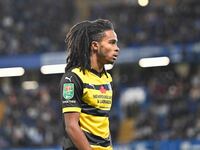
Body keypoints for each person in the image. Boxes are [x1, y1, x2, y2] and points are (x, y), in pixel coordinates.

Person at [60, 19, 120, 150]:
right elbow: (71, 126)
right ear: (95, 45)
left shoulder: (106, 78)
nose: (117, 48)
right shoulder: (73, 78)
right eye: (112, 43)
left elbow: (103, 121)